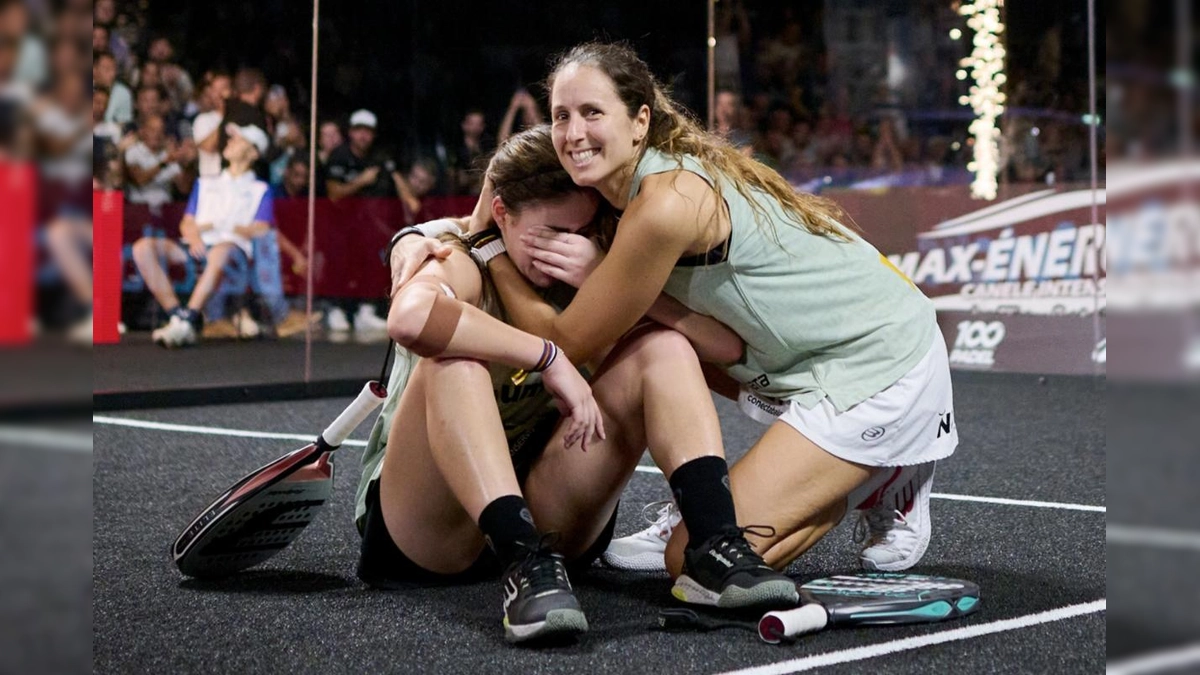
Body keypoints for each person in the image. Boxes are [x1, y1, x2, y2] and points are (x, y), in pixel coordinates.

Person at [416, 42, 957, 578]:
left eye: (592, 113)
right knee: (651, 346)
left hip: (880, 363)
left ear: (640, 120)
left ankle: (869, 479)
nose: (573, 133)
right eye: (561, 116)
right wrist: (434, 232)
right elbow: (723, 346)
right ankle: (713, 494)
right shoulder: (620, 186)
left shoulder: (664, 204)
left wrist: (491, 250)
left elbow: (562, 345)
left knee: (687, 563)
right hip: (792, 354)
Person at [360, 126, 797, 644]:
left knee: (664, 346)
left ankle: (714, 547)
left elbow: (724, 348)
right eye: (550, 233)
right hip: (431, 528)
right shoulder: (464, 257)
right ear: (503, 214)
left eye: (582, 231)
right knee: (455, 362)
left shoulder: (594, 264)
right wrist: (548, 356)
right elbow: (411, 320)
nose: (567, 248)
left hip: (550, 508)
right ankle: (524, 568)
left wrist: (603, 277)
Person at [130, 124, 273, 347]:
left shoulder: (260, 189)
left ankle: (189, 318)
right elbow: (187, 222)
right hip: (197, 246)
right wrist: (195, 235)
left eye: (238, 140)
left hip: (232, 254)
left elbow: (261, 228)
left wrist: (226, 228)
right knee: (143, 247)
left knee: (221, 250)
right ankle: (177, 315)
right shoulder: (206, 183)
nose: (230, 142)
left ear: (253, 153)